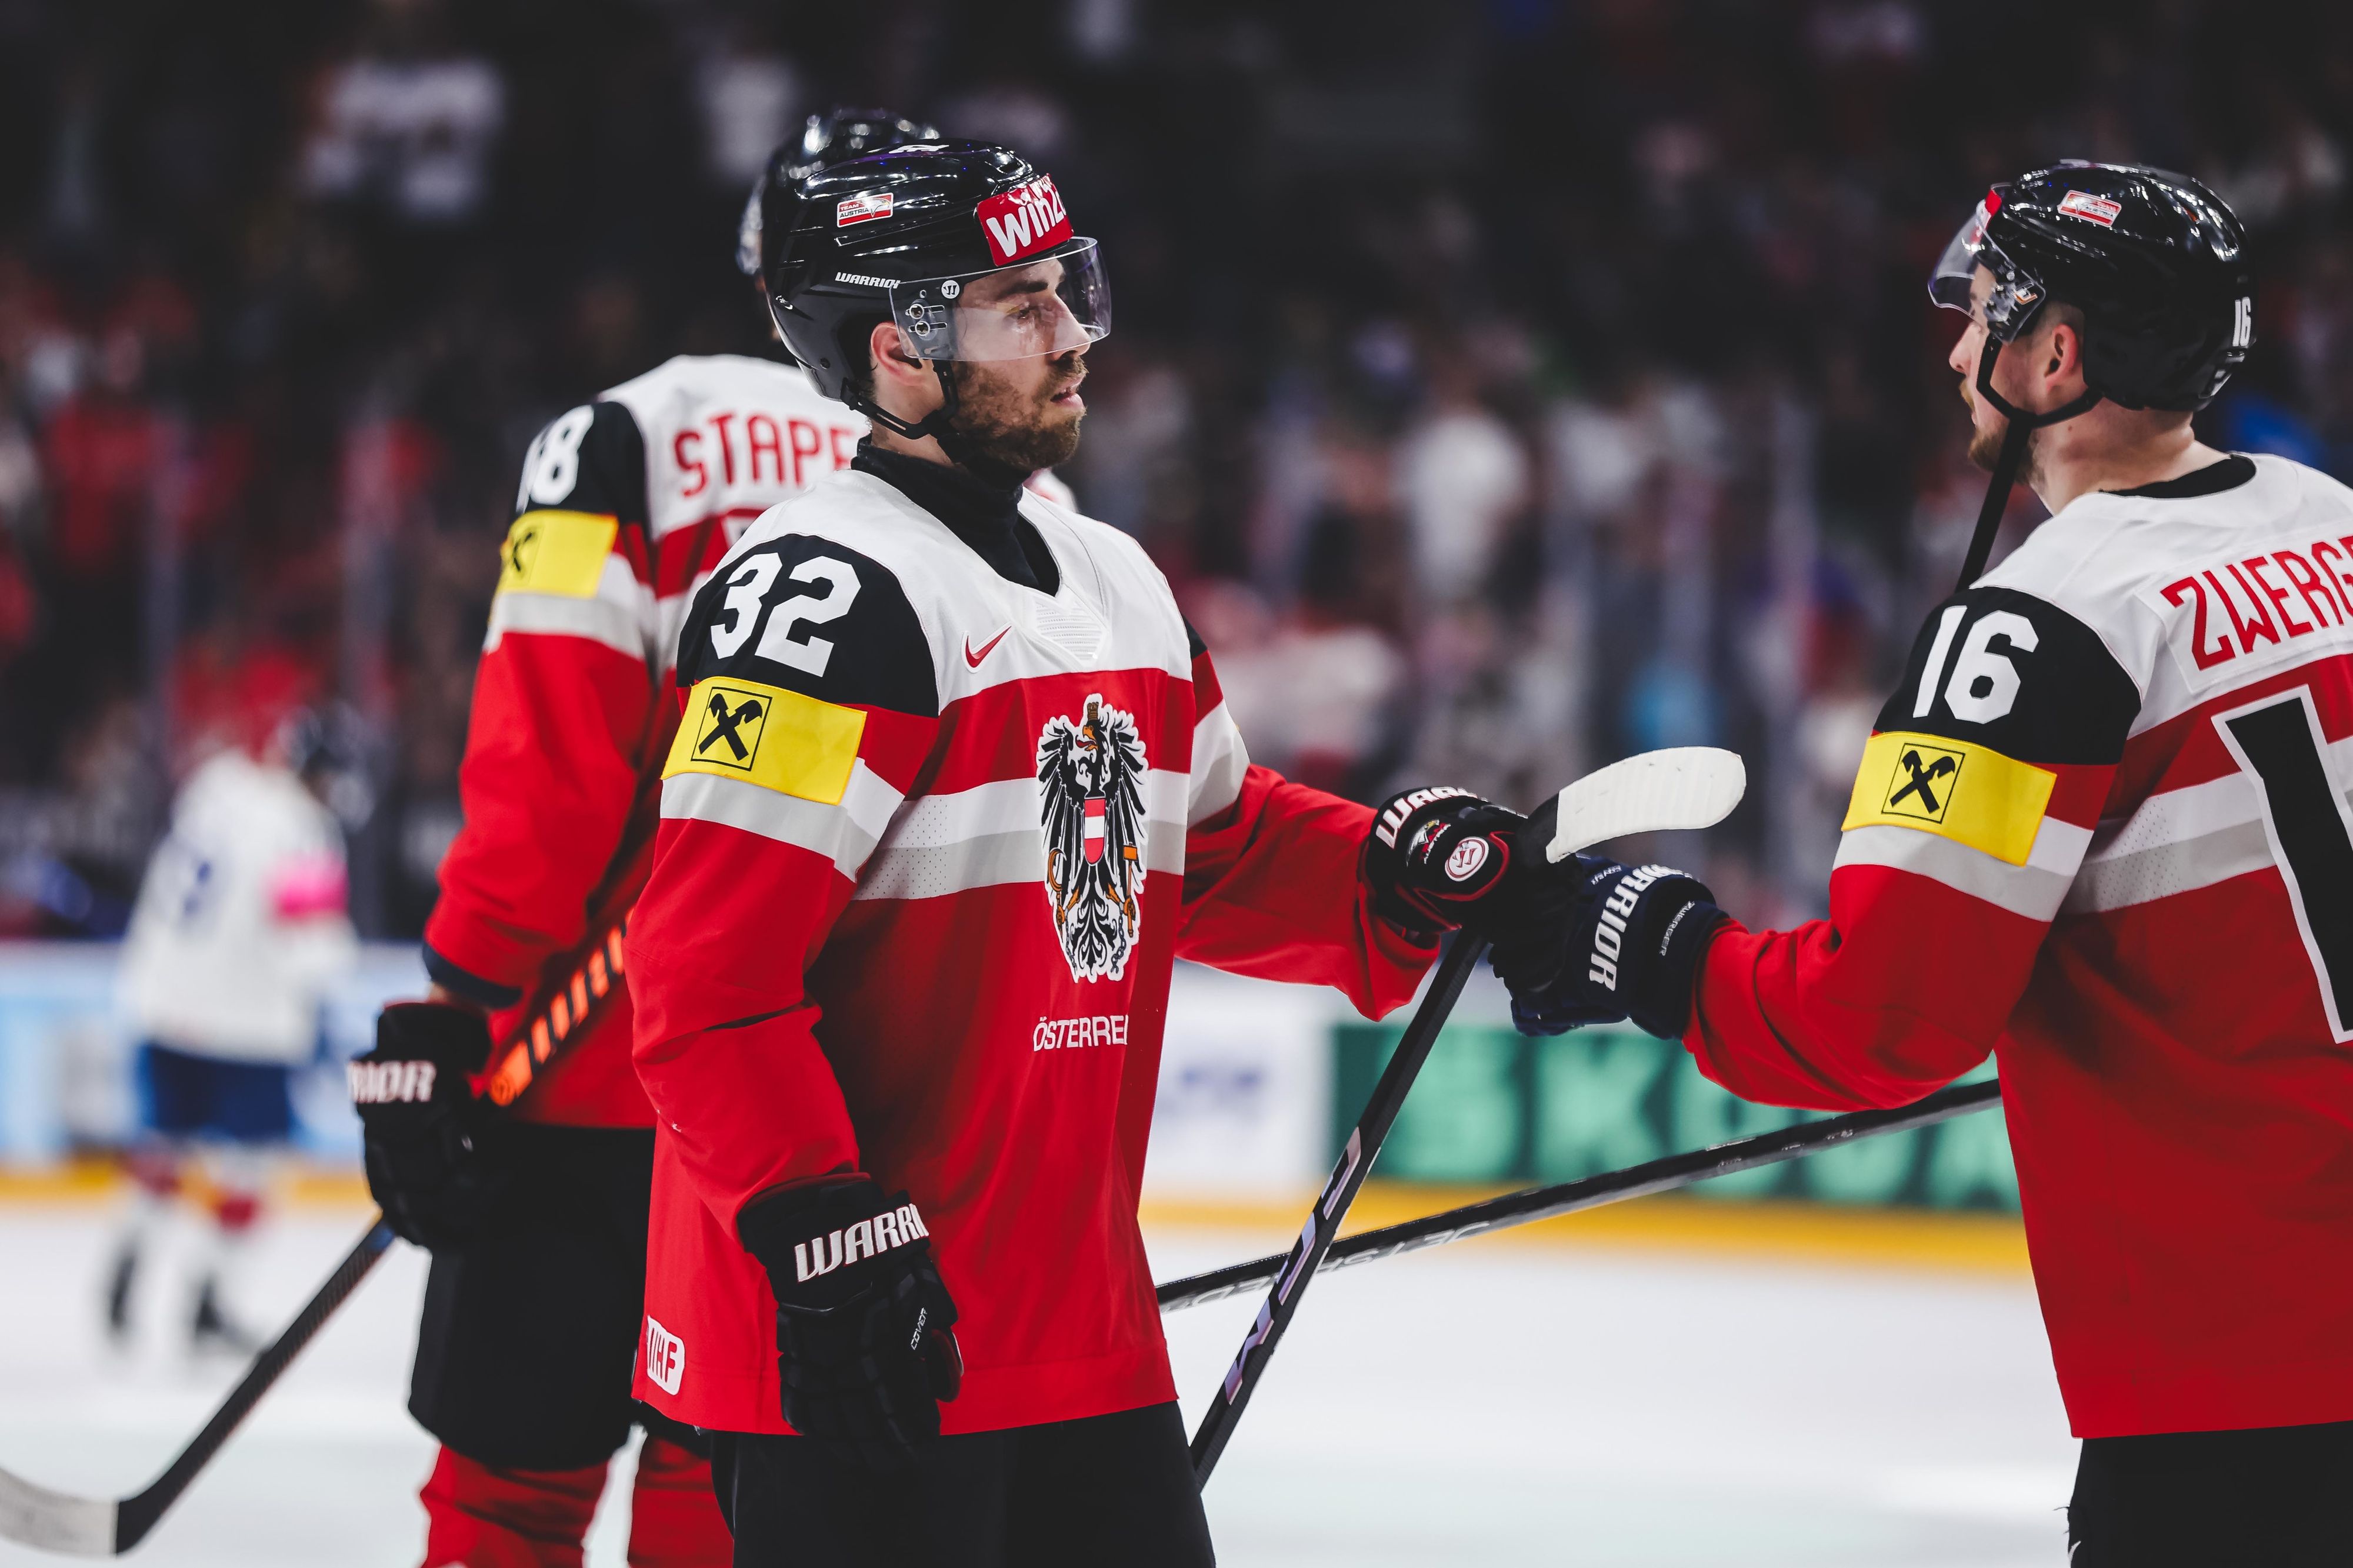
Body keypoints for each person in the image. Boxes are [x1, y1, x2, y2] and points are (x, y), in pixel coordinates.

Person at [622, 136, 1594, 1566]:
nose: (1074, 333)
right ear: (899, 351)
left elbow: (1211, 840)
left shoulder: (1112, 575)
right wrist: (821, 1225)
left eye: (1068, 286)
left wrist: (1402, 865)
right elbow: (702, 980)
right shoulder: (823, 599)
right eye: (1021, 305)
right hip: (870, 1329)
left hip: (1072, 1329)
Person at [1504, 164, 2353, 1564]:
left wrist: (1647, 946)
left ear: (2056, 354)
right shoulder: (2328, 520)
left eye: (1983, 318)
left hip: (2237, 1388)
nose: (1960, 350)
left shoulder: (2037, 630)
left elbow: (1875, 1019)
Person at [347, 111, 938, 1568]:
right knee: (714, 1493)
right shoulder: (1026, 502)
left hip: (583, 1075)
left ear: (762, 269)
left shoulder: (626, 438)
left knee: (506, 1498)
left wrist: (457, 1001)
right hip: (815, 1120)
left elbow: (545, 779)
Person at [111, 706, 358, 1353]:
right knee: (253, 1164)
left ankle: (127, 1263)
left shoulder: (217, 785)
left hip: (161, 998)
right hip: (247, 1024)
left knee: (164, 1144)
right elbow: (314, 951)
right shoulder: (304, 829)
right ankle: (208, 1302)